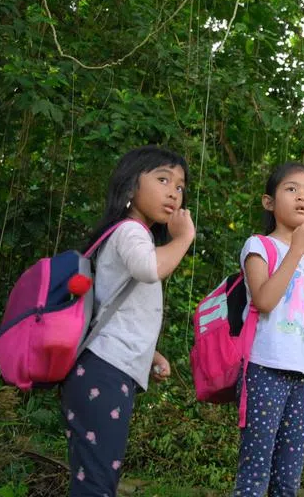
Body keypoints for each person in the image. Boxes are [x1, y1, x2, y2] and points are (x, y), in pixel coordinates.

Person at [62, 146, 195, 496]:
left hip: (102, 368)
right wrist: (183, 238)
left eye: (180, 186)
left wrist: (150, 353)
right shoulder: (130, 231)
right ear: (130, 186)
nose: (174, 192)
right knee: (97, 481)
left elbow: (112, 308)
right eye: (163, 179)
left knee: (96, 475)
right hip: (104, 371)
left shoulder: (131, 234)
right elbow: (149, 269)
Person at [234, 162, 304, 497]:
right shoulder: (259, 245)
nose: (301, 196)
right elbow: (265, 301)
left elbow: (303, 330)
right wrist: (296, 248)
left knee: (288, 479)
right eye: (291, 189)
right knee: (256, 472)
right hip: (263, 369)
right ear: (268, 202)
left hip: (298, 379)